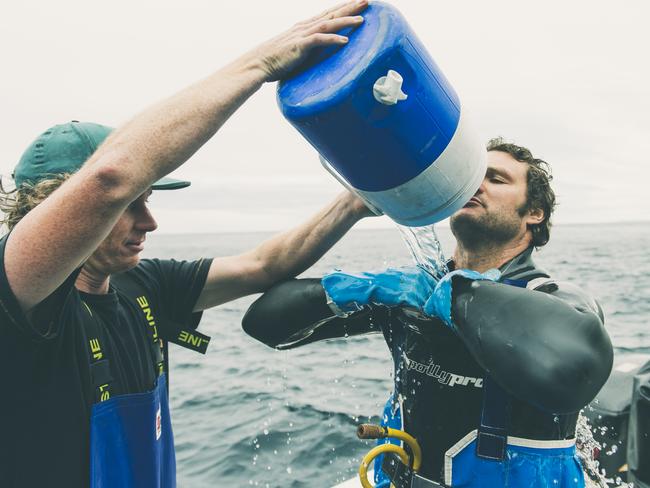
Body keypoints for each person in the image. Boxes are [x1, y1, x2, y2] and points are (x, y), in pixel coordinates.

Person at [0, 2, 374, 487]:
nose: (149, 222)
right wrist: (259, 65)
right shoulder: (24, 294)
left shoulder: (145, 285)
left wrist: (353, 202)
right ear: (60, 208)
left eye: (148, 201)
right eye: (128, 205)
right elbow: (110, 176)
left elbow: (264, 265)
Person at [242, 139, 614, 487]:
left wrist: (456, 294)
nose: (475, 186)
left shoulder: (552, 299)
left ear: (534, 213)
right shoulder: (411, 294)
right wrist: (354, 283)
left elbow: (574, 367)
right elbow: (265, 323)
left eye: (496, 179)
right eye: (470, 176)